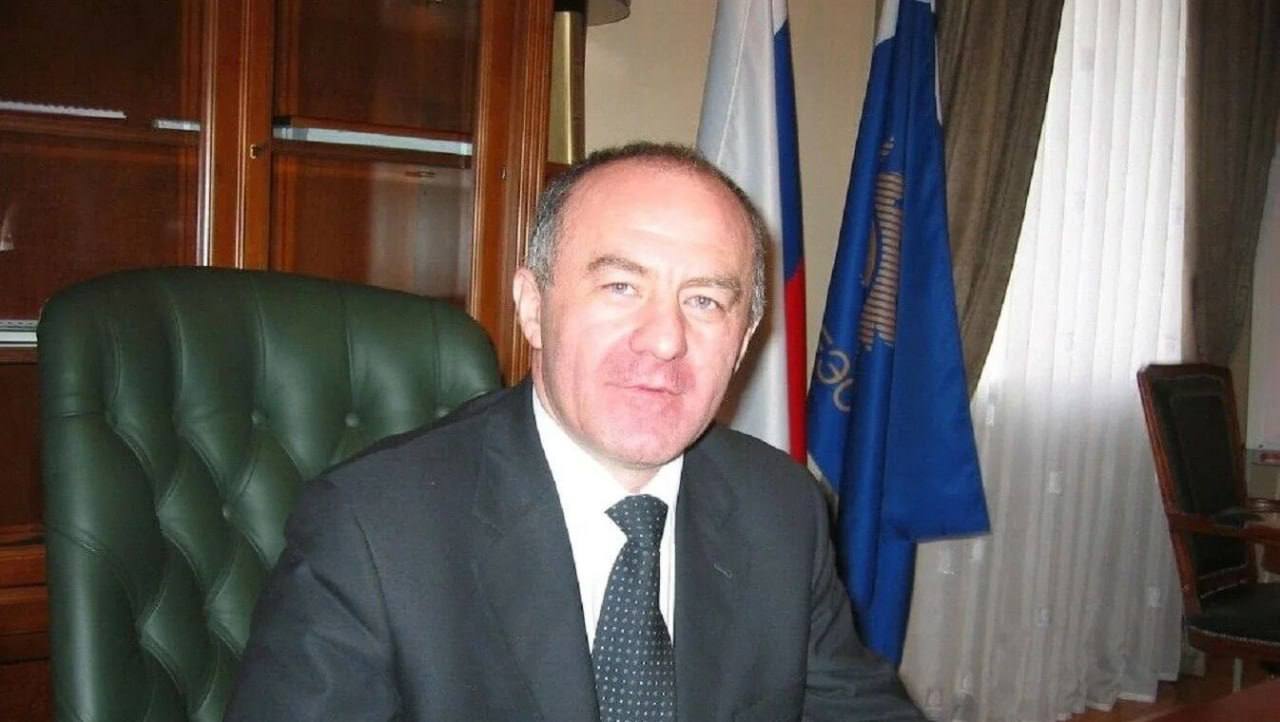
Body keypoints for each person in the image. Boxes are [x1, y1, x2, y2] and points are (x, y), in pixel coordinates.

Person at [225, 142, 925, 721]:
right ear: (533, 307)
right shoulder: (373, 527)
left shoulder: (782, 508)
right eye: (621, 287)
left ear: (742, 344)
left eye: (706, 301)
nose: (665, 340)